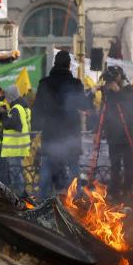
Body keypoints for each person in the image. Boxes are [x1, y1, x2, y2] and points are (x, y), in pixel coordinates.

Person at [32, 51, 92, 200]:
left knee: (46, 167)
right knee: (73, 168)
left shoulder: (44, 83)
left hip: (51, 133)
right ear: (69, 65)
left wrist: (36, 126)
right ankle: (76, 200)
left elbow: (37, 108)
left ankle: (41, 201)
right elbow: (84, 105)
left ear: (54, 64)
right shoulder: (75, 84)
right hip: (70, 133)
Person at [101, 65, 133, 199]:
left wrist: (117, 91)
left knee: (129, 165)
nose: (110, 84)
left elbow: (129, 105)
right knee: (114, 165)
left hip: (127, 134)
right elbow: (105, 110)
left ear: (119, 77)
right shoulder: (109, 93)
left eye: (112, 80)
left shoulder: (130, 90)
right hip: (113, 136)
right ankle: (114, 190)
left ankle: (127, 189)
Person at [0, 85, 32, 193]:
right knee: (17, 172)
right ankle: (21, 194)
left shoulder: (16, 109)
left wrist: (4, 114)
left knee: (16, 172)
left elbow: (16, 125)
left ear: (10, 97)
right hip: (19, 146)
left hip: (15, 148)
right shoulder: (22, 107)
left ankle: (20, 195)